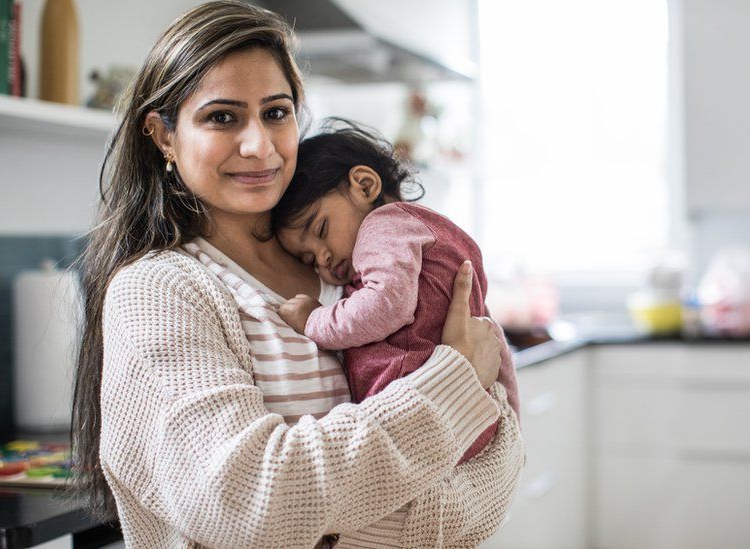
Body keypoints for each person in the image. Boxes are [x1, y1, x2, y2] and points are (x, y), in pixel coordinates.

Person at [69, 2, 524, 548]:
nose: (259, 145)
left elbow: (500, 465)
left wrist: (341, 521)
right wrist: (453, 385)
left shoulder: (350, 263)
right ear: (164, 136)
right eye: (222, 117)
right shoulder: (159, 291)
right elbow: (248, 502)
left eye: (276, 113)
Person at [273, 120, 520, 465]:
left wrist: (314, 319)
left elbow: (387, 306)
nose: (323, 258)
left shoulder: (383, 226)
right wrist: (512, 422)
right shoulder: (424, 233)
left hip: (422, 418)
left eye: (321, 229)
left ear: (364, 185)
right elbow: (491, 335)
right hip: (465, 416)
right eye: (308, 259)